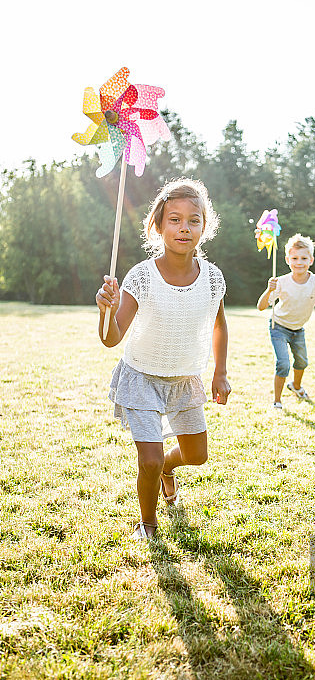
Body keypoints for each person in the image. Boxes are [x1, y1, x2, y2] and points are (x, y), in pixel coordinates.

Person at [95, 178, 230, 540]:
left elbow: (219, 325)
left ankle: (169, 469)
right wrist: (105, 311)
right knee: (150, 459)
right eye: (174, 219)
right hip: (141, 377)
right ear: (157, 226)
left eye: (193, 220)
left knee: (197, 455)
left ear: (205, 226)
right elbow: (111, 338)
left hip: (185, 379)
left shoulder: (212, 279)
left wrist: (220, 373)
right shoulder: (141, 277)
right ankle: (148, 523)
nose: (184, 228)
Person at [256, 233, 315, 410]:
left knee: (302, 363)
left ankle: (296, 386)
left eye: (303, 258)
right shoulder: (281, 281)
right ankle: (277, 401)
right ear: (287, 260)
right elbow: (261, 306)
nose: (299, 262)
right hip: (278, 327)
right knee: (283, 363)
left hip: (298, 329)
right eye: (294, 258)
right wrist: (269, 290)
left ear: (311, 260)